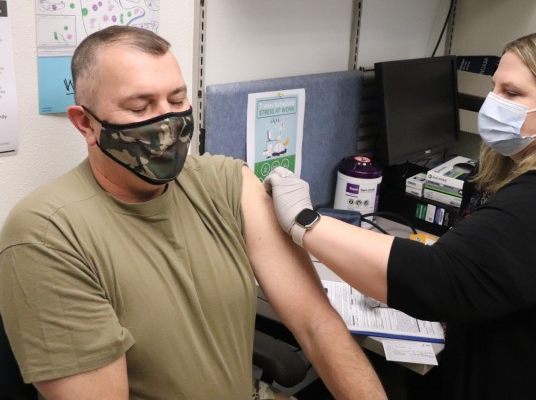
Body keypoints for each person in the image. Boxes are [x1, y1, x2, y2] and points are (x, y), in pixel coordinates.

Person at [0, 25, 387, 399]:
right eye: (140, 106)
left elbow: (316, 323)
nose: (168, 124)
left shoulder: (227, 183)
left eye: (176, 100)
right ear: (85, 123)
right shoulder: (46, 236)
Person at [264, 30, 536, 399]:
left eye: (511, 93)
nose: (492, 103)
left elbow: (438, 278)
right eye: (494, 87)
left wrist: (304, 221)